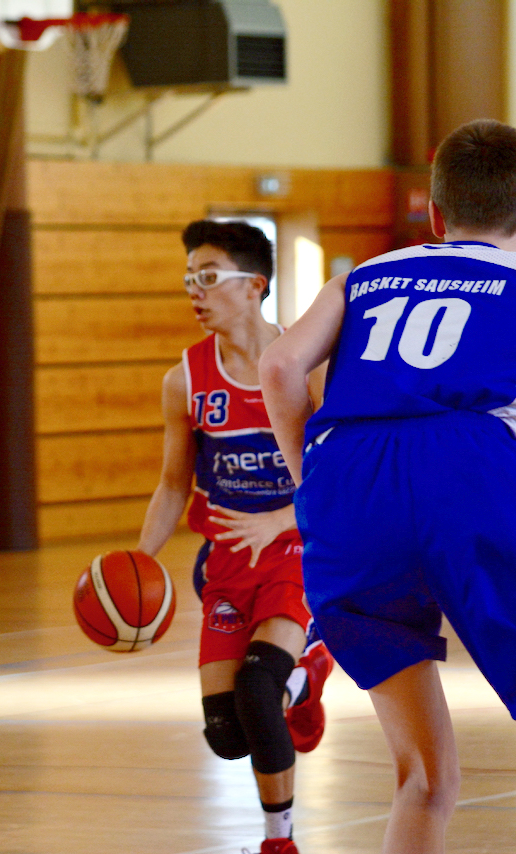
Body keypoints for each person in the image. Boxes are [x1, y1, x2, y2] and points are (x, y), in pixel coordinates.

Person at [259, 120, 516, 853]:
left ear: (434, 215)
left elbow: (278, 368)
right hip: (475, 471)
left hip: (351, 477)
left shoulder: (362, 277)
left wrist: (315, 486)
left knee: (424, 777)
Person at [136, 220, 333, 854]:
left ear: (255, 285)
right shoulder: (185, 381)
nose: (195, 290)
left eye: (209, 276)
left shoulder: (309, 366)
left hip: (298, 550)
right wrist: (139, 561)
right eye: (189, 278)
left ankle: (279, 842)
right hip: (226, 560)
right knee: (227, 733)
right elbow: (173, 485)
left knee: (256, 688)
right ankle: (301, 684)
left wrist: (278, 521)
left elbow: (338, 476)